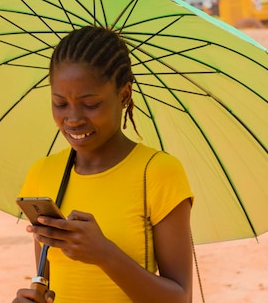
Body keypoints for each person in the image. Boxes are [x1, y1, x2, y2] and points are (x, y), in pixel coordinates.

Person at [12, 26, 194, 303]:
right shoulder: (43, 174)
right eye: (60, 103)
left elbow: (180, 299)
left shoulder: (157, 173)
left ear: (123, 95)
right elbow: (48, 284)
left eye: (90, 104)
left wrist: (104, 254)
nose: (73, 119)